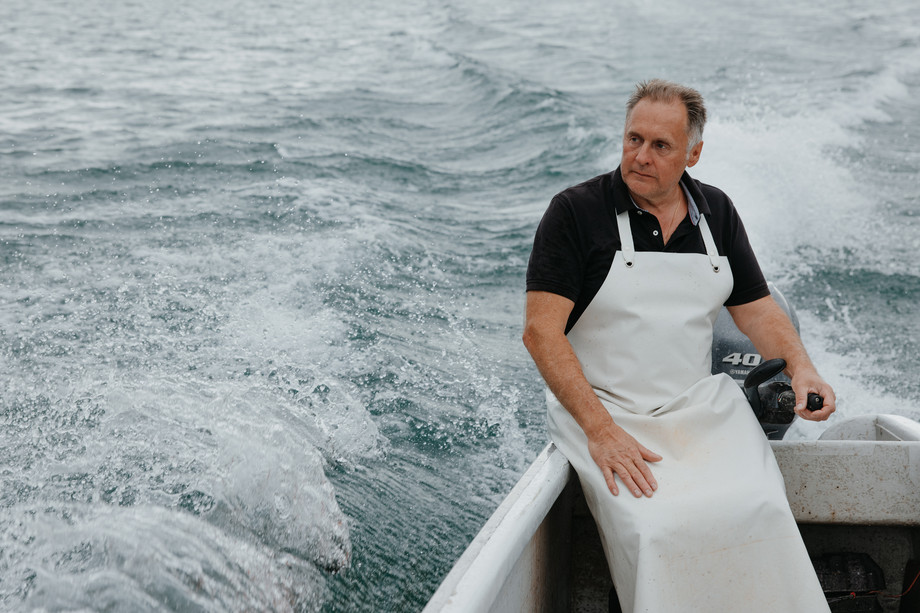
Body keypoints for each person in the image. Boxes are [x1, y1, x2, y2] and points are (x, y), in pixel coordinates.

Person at [523, 79, 836, 612]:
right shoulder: (575, 212)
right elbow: (540, 331)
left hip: (698, 408)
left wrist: (802, 368)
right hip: (606, 411)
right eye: (633, 139)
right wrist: (601, 432)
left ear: (693, 153)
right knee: (657, 529)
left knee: (761, 507)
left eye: (660, 146)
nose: (640, 157)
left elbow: (757, 308)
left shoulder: (717, 212)